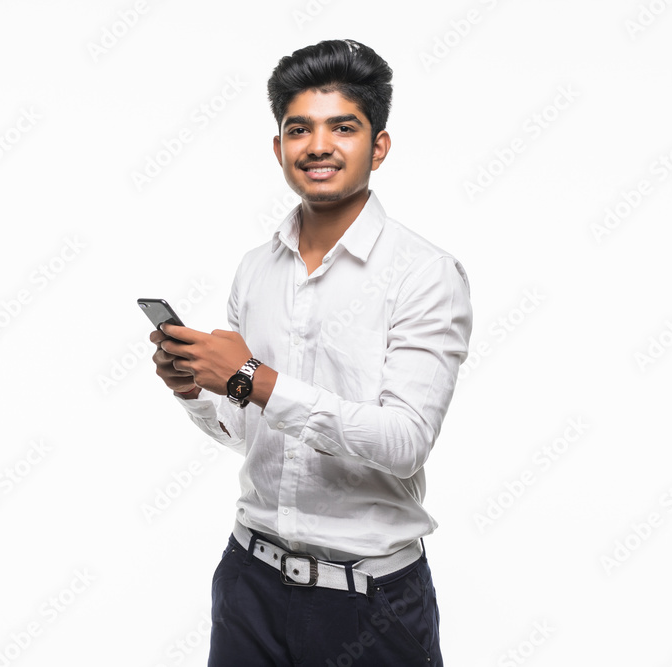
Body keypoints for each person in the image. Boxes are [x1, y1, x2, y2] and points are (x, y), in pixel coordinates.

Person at [148, 39, 472, 666]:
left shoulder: (425, 275)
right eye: (299, 129)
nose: (318, 146)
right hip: (249, 583)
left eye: (342, 127)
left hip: (372, 603)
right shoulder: (255, 269)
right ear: (279, 147)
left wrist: (251, 378)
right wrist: (195, 390)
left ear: (378, 144)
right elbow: (253, 434)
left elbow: (405, 442)